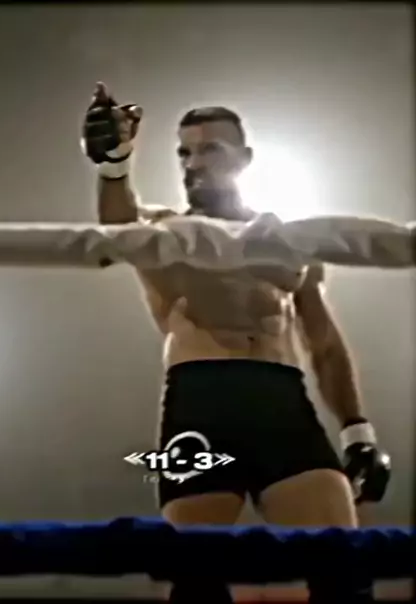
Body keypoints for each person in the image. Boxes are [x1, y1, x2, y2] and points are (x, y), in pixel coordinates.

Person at [81, 82, 391, 533]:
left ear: (244, 159)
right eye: (184, 153)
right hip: (202, 400)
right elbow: (118, 229)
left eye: (209, 150)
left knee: (338, 557)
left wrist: (357, 430)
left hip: (282, 399)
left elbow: (323, 341)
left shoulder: (288, 241)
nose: (193, 164)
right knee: (194, 570)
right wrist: (115, 165)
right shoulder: (168, 231)